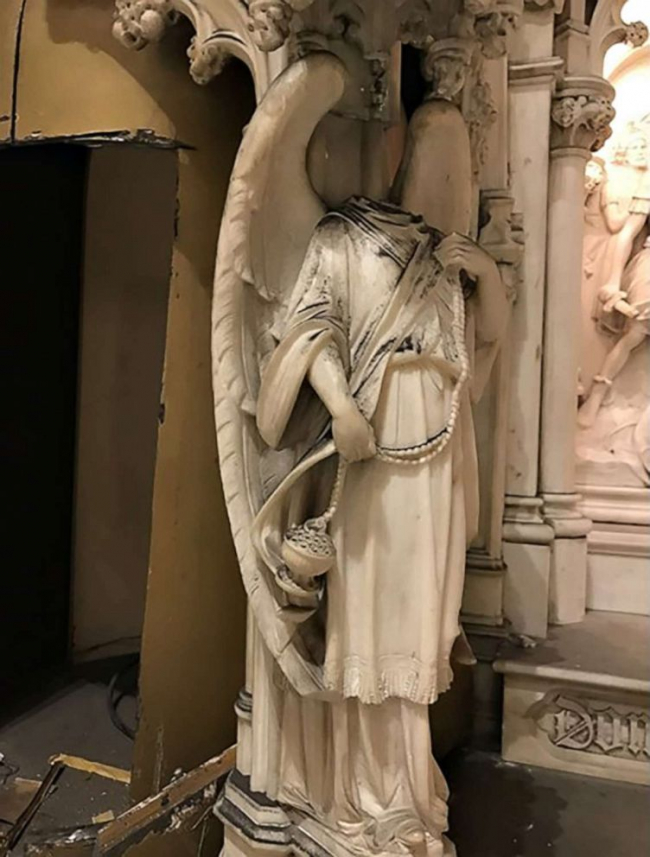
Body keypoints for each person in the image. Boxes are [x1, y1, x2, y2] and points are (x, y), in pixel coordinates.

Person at [252, 99, 508, 857]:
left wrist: (487, 275)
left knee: (417, 618)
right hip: (372, 449)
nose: (445, 174)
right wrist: (341, 409)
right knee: (367, 617)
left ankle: (407, 794)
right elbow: (309, 329)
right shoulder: (343, 236)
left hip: (436, 457)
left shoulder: (443, 254)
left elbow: (483, 346)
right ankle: (361, 798)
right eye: (434, 152)